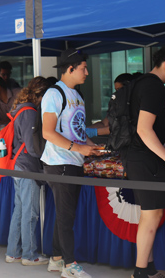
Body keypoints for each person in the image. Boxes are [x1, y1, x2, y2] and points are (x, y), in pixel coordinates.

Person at [126, 46, 165, 278]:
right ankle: (141, 272)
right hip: (146, 160)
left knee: (150, 215)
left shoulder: (140, 83)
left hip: (138, 158)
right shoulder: (154, 87)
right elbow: (144, 129)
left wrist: (163, 148)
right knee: (151, 215)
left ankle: (148, 269)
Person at [42, 48, 99, 278]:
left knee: (66, 214)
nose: (87, 72)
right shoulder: (54, 94)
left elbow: (77, 130)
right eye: (83, 68)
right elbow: (48, 132)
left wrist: (91, 146)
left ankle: (56, 258)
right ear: (70, 68)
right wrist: (79, 148)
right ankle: (69, 264)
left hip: (73, 161)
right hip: (59, 162)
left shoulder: (77, 94)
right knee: (66, 217)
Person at [5, 77, 49, 266]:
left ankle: (13, 252)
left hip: (18, 164)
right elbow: (32, 148)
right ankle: (29, 255)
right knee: (30, 213)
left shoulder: (20, 108)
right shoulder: (30, 112)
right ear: (41, 95)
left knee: (20, 210)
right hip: (28, 166)